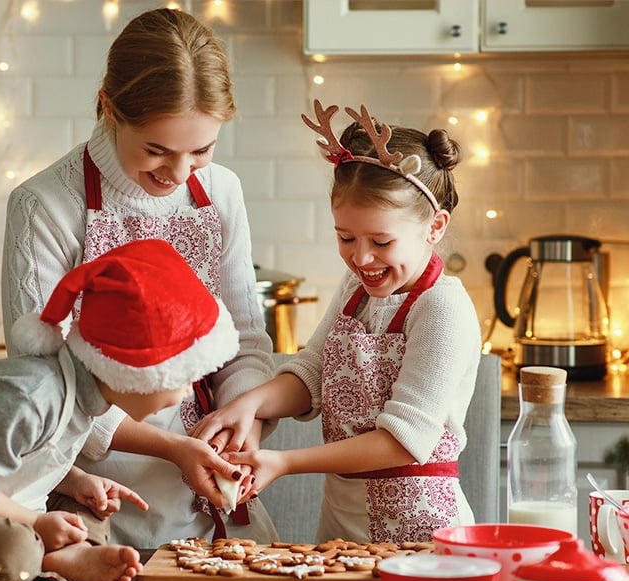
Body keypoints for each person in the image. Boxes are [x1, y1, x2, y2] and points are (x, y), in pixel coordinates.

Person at [0, 7, 276, 547]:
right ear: (108, 108)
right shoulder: (46, 205)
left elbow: (244, 340)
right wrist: (171, 447)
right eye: (157, 150)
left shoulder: (221, 192)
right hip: (92, 493)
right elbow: (42, 384)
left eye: (201, 150)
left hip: (213, 489)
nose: (178, 174)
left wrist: (245, 420)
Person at [0, 239, 241, 581]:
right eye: (184, 377)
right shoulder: (31, 397)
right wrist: (37, 523)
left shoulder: (87, 395)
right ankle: (49, 557)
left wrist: (74, 481)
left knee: (89, 514)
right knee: (14, 552)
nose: (189, 390)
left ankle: (63, 553)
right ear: (135, 374)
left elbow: (23, 457)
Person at [191, 100, 482, 544]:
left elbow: (402, 442)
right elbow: (312, 373)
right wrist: (247, 405)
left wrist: (284, 461)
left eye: (381, 242)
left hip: (422, 532)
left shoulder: (442, 310)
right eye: (345, 237)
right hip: (342, 525)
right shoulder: (355, 289)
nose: (361, 258)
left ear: (435, 227)